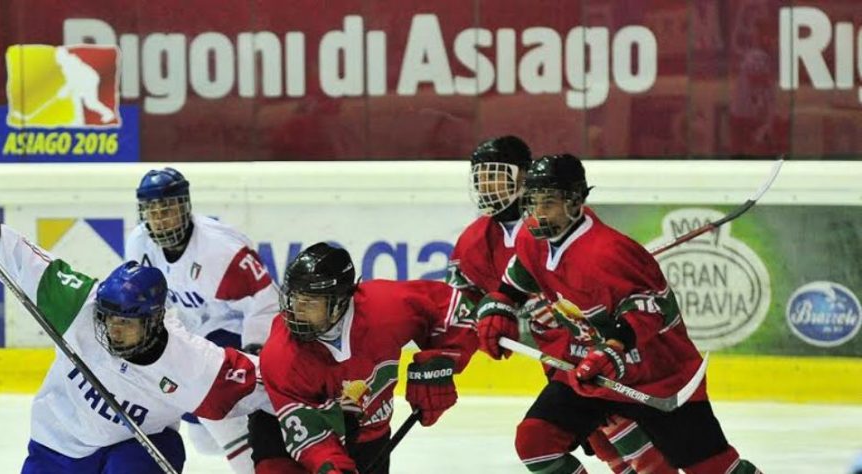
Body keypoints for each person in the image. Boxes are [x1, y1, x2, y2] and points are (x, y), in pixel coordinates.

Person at [0, 184, 270, 474]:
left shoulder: (189, 360)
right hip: (57, 444)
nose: (112, 329)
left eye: (125, 322)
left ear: (152, 322)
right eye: (108, 318)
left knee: (165, 449)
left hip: (135, 446)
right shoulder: (82, 306)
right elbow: (26, 264)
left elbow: (267, 381)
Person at [473, 154, 760, 473]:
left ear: (575, 201)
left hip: (658, 376)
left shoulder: (608, 252)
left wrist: (613, 349)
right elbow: (518, 277)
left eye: (548, 203)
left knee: (714, 469)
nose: (537, 213)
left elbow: (649, 311)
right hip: (589, 370)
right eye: (532, 202)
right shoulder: (531, 240)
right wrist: (498, 307)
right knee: (535, 442)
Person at [449, 137, 675, 473]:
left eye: (496, 174)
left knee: (625, 432)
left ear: (523, 177)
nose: (487, 185)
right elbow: (462, 301)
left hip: (601, 348)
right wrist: (489, 313)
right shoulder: (473, 241)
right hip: (558, 357)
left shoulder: (560, 220)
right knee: (592, 441)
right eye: (480, 177)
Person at [257, 243, 478, 474]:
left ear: (339, 302)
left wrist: (440, 363)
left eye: (310, 302)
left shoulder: (386, 308)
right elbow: (309, 435)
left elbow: (454, 309)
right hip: (288, 434)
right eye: (295, 299)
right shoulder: (281, 353)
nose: (297, 310)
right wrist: (331, 468)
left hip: (371, 435)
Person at [125, 167, 281, 473]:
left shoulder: (220, 249)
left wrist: (255, 349)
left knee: (217, 411)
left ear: (185, 206)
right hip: (192, 334)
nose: (160, 218)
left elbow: (266, 300)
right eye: (153, 211)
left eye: (167, 209)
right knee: (203, 441)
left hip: (235, 332)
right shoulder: (139, 243)